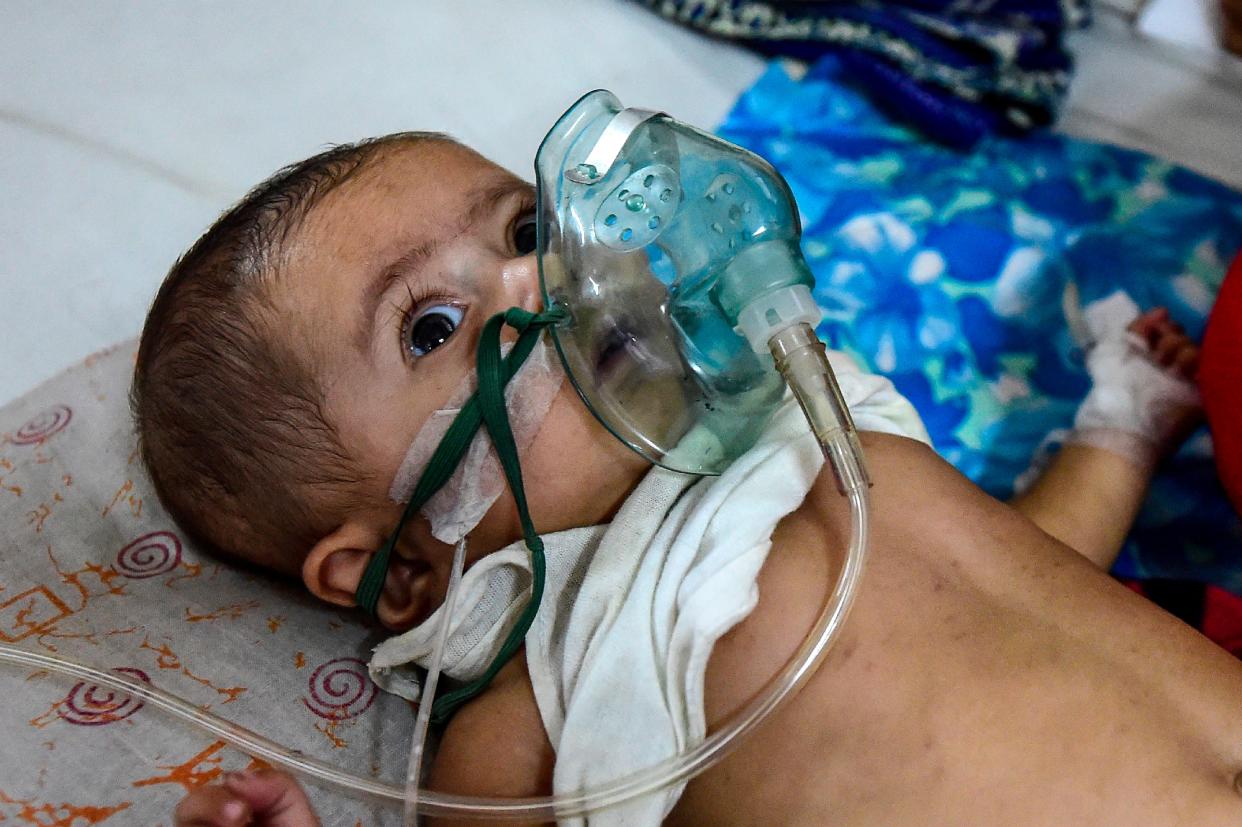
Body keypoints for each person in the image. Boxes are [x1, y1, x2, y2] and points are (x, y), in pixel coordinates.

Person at [135, 134, 1242, 826]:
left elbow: (1036, 570)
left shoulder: (813, 419)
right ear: (399, 571)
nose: (545, 274)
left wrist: (1123, 421)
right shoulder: (537, 707)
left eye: (527, 225)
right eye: (434, 322)